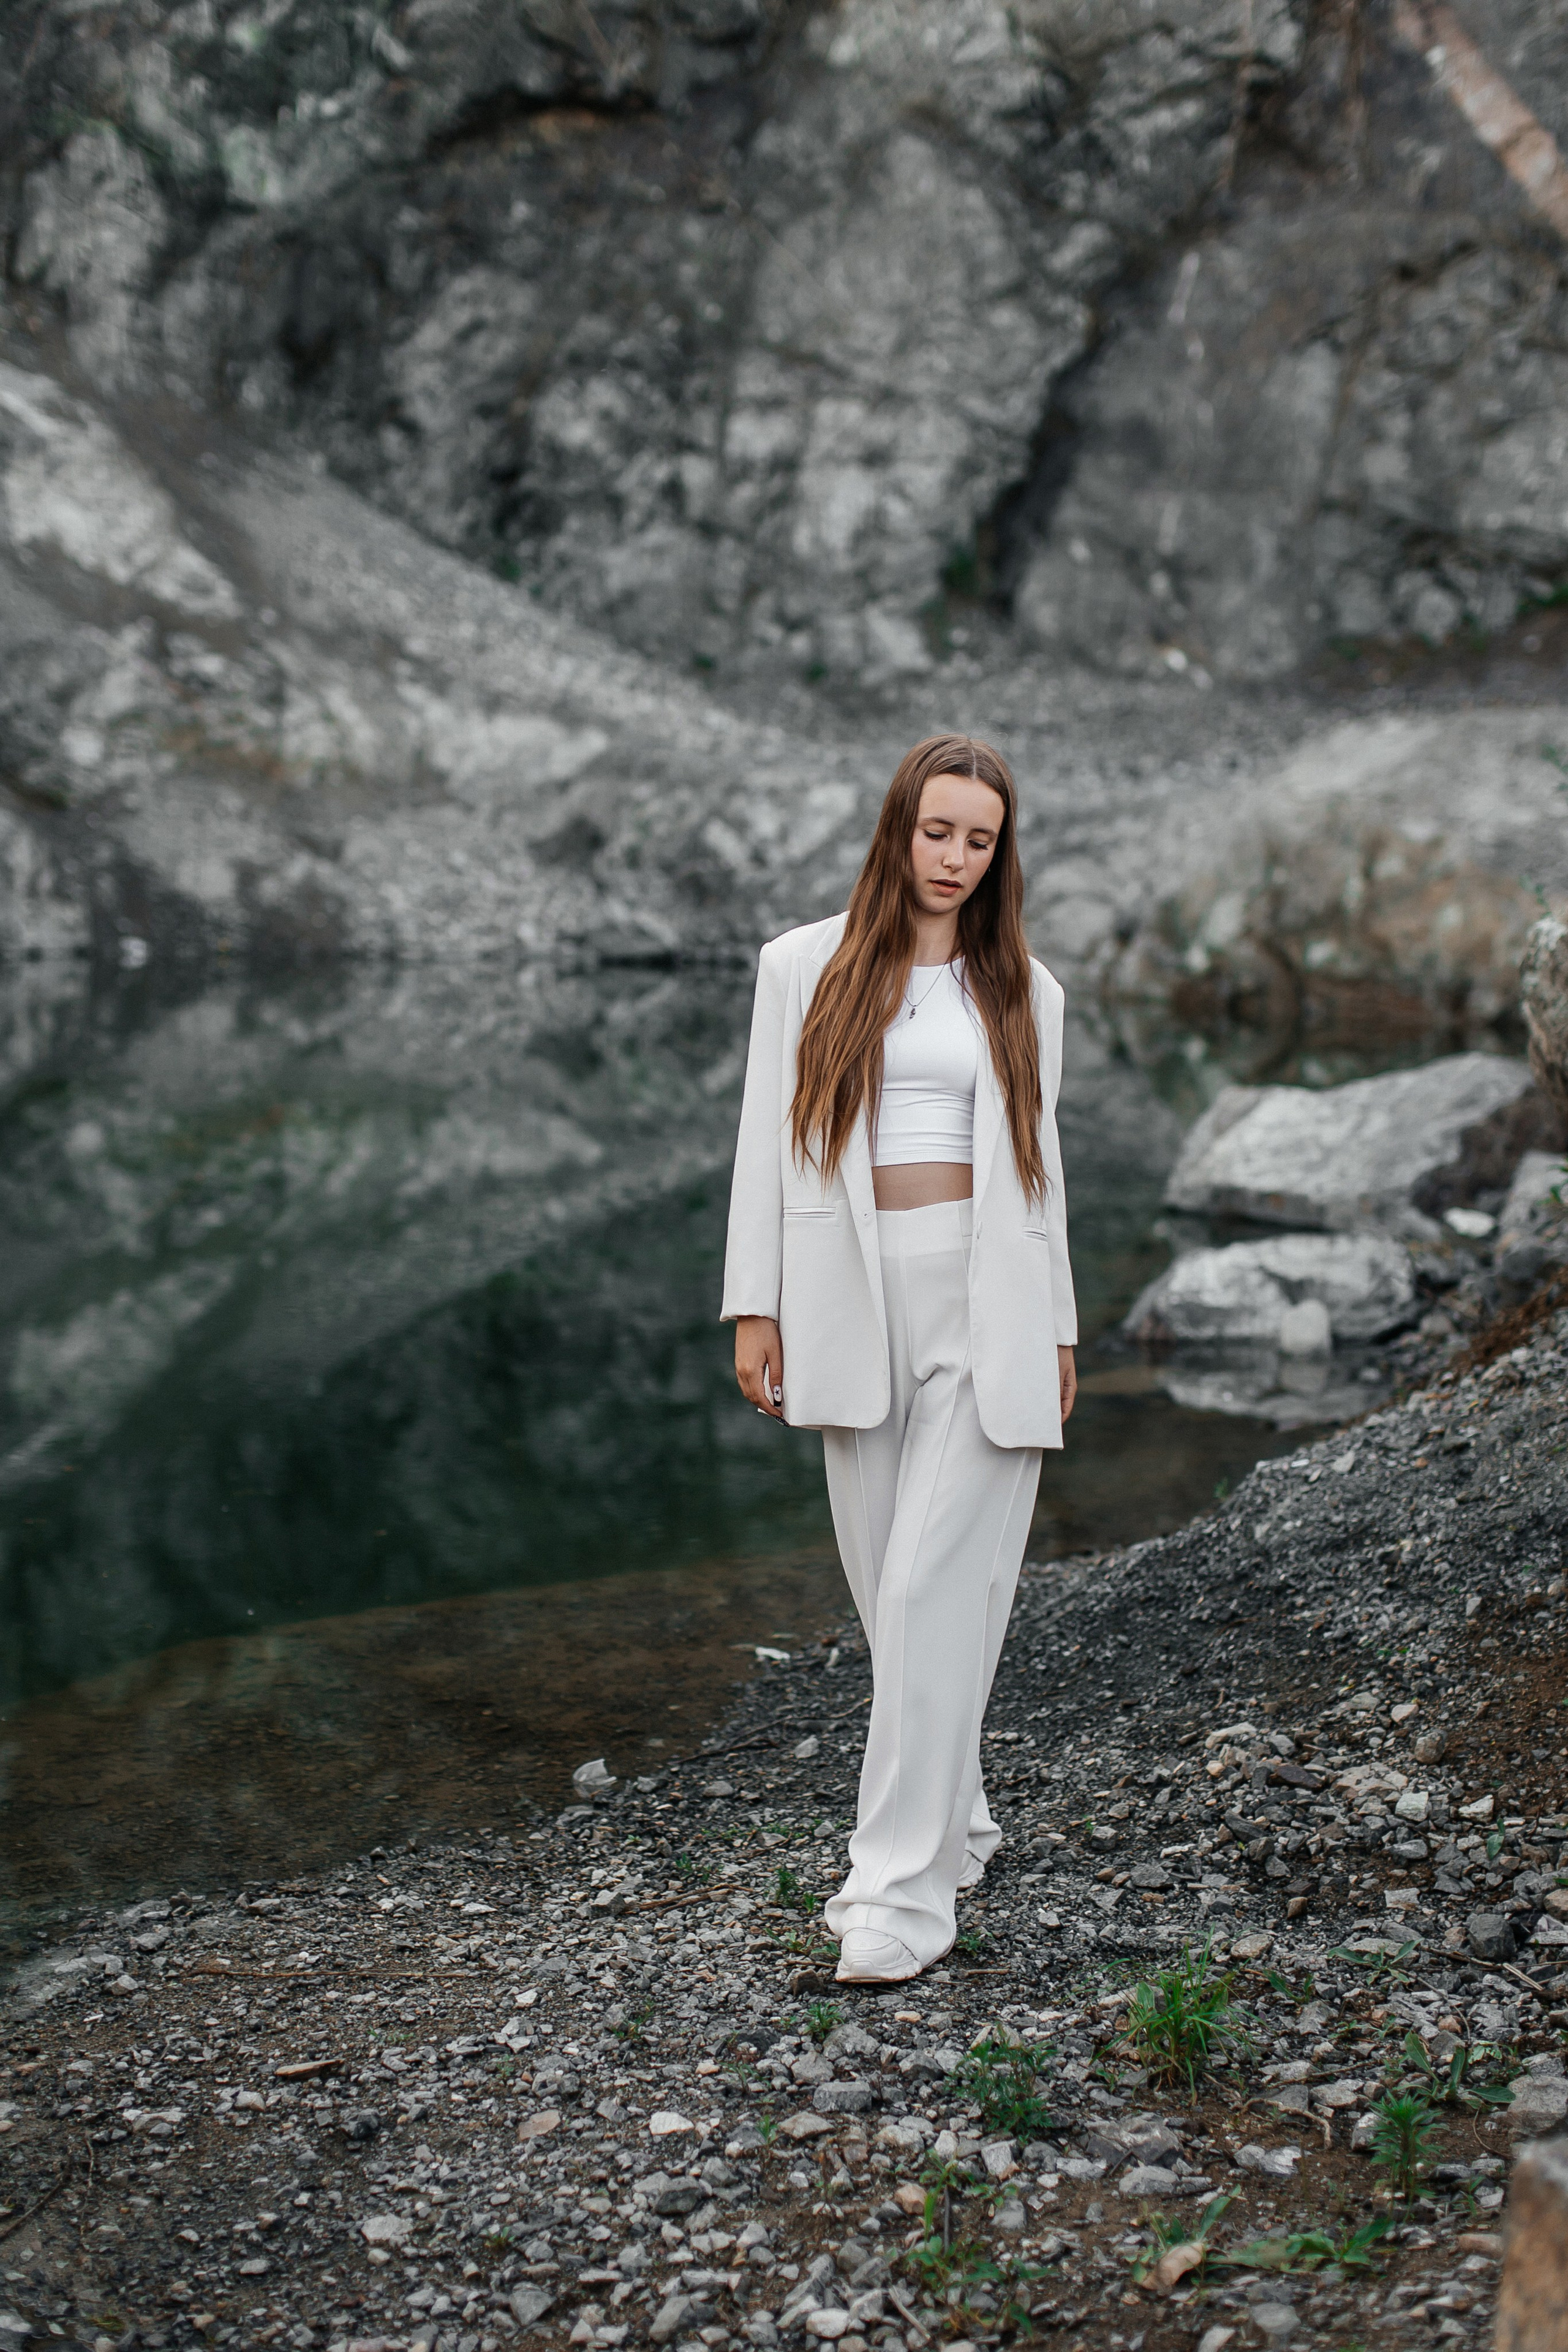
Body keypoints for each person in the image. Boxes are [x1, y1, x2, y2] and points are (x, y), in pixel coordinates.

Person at [721, 733, 1077, 1985]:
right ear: (898, 826)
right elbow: (766, 1144)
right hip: (845, 1298)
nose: (954, 859)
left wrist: (1060, 1324)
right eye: (938, 832)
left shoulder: (1024, 989)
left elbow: (1041, 1171)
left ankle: (896, 1896)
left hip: (990, 1304)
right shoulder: (800, 966)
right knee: (893, 1604)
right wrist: (749, 1306)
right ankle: (962, 1819)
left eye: (978, 841)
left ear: (998, 852)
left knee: (932, 1589)